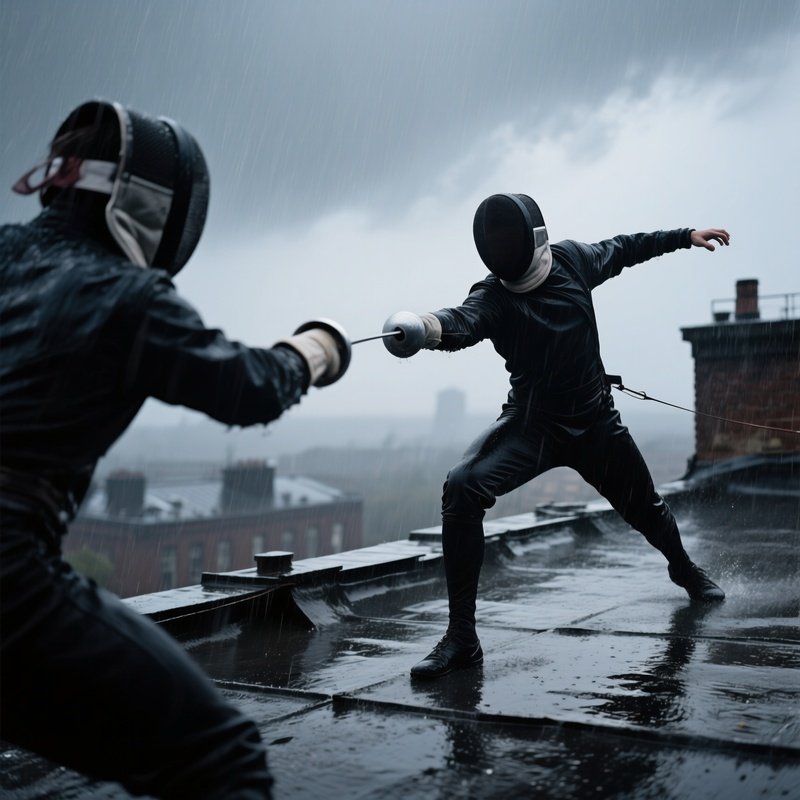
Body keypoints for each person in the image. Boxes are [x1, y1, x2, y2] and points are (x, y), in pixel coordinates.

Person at [0, 100, 350, 798]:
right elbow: (247, 387)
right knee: (219, 758)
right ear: (152, 206)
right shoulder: (125, 296)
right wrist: (314, 350)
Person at [382, 193, 728, 680]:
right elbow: (463, 320)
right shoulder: (495, 296)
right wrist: (425, 326)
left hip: (594, 423)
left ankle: (683, 569)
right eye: (494, 240)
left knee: (646, 508)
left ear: (533, 238)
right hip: (532, 426)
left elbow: (626, 247)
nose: (501, 247)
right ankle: (462, 637)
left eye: (508, 237)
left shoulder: (573, 260)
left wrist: (682, 237)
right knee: (462, 487)